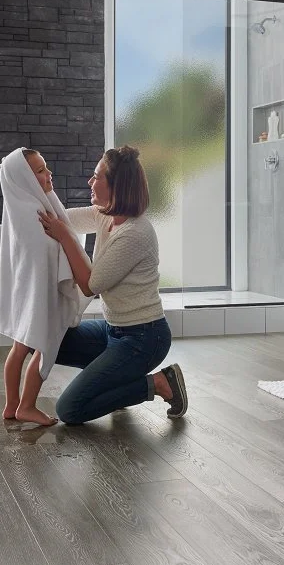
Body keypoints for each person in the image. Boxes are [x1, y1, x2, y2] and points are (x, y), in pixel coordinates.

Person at [38, 145, 187, 424]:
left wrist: (65, 237)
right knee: (43, 339)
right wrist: (34, 191)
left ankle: (158, 383)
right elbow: (61, 219)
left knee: (69, 410)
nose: (90, 182)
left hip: (144, 339)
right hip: (112, 331)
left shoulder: (136, 233)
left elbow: (90, 285)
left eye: (97, 177)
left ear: (117, 185)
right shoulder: (104, 214)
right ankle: (116, 382)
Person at [0, 148, 90, 426]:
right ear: (24, 178)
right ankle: (25, 405)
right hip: (39, 293)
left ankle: (12, 405)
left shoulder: (29, 206)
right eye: (40, 171)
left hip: (29, 292)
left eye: (46, 167)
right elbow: (43, 252)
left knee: (21, 348)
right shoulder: (34, 213)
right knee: (43, 347)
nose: (49, 174)